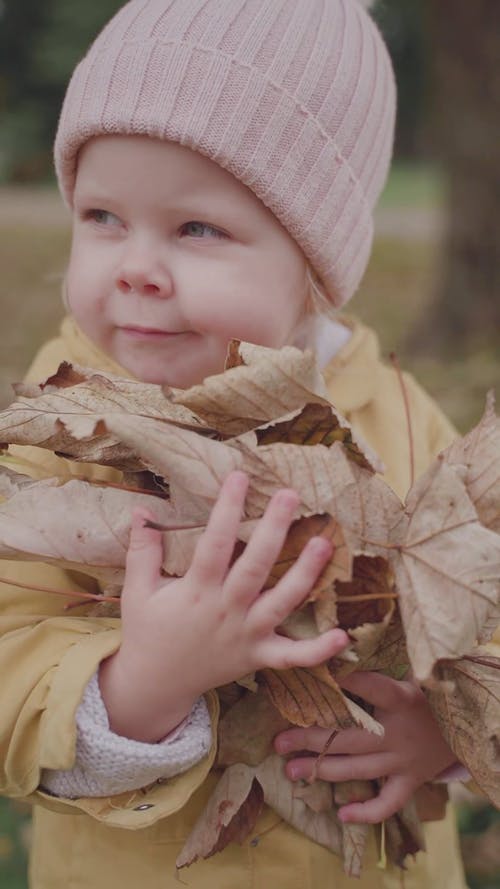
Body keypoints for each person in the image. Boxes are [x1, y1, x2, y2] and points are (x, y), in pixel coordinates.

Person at [0, 1, 486, 887]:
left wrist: (442, 731)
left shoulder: (401, 419)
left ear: (314, 264)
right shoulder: (63, 436)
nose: (135, 264)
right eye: (102, 215)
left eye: (197, 228)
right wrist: (143, 684)